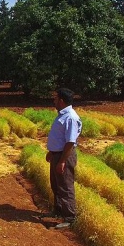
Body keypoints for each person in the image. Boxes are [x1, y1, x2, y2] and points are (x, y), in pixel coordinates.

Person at [43, 88, 82, 229]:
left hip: (64, 155)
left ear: (61, 100)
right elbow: (59, 138)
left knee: (65, 187)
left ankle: (69, 218)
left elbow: (70, 142)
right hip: (56, 154)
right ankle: (58, 211)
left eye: (55, 98)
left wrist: (62, 161)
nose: (53, 101)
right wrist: (51, 152)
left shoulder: (70, 117)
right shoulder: (62, 115)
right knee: (56, 185)